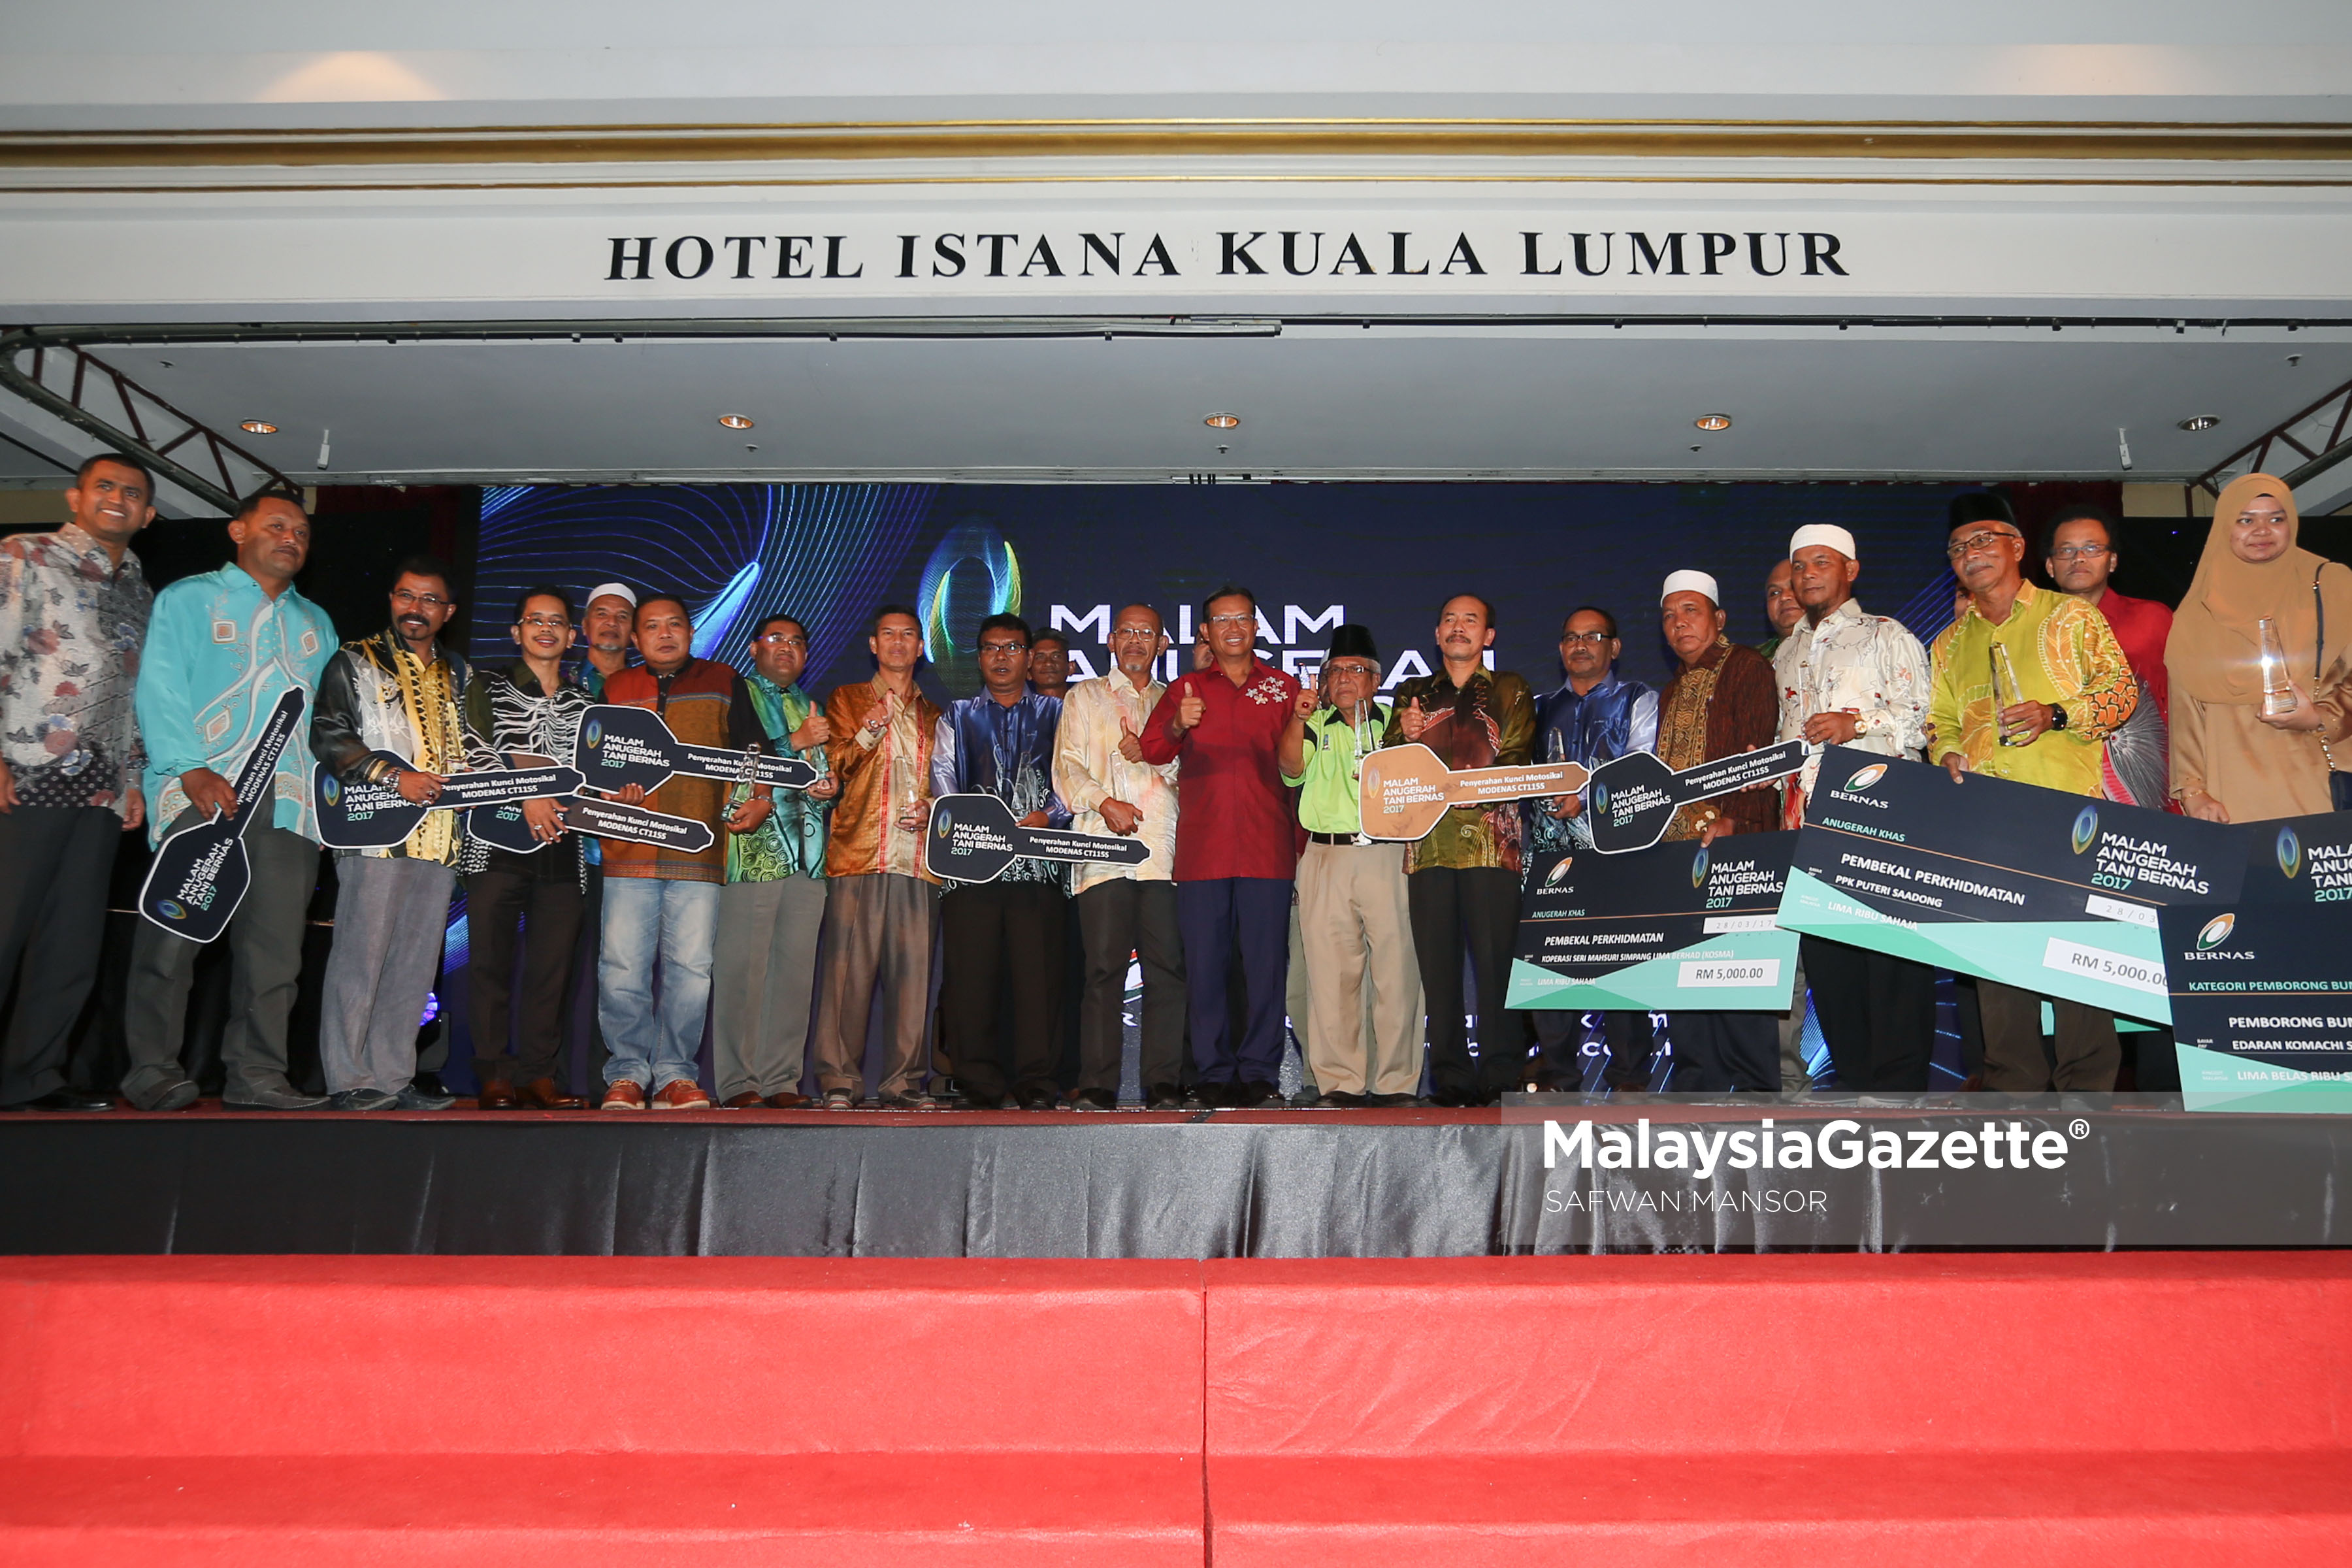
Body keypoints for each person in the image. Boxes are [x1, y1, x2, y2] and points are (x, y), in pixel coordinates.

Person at [122, 485, 335, 1113]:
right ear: (238, 532)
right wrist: (189, 770)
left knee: (276, 952)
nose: (291, 538)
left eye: (300, 532)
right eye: (276, 526)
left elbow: (328, 721)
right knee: (174, 936)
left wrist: (326, 806)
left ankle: (258, 1074)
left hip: (291, 802)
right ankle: (151, 1070)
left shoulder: (315, 622)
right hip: (206, 790)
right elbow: (159, 688)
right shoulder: (191, 600)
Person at [1930, 504, 2136, 1092]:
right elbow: (1938, 719)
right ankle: (2013, 1095)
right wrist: (1944, 749)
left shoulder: (2069, 617)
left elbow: (2121, 693)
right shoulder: (1947, 643)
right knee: (2000, 968)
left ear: (2018, 547)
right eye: (1957, 548)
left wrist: (2058, 713)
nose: (1969, 553)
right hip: (1985, 821)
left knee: (2078, 961)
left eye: (1982, 540)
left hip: (2066, 814)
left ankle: (2088, 1100)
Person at [0, 453, 154, 1111]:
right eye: (105, 487)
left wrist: (136, 779)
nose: (118, 499)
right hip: (26, 774)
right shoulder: (24, 555)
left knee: (72, 945)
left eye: (133, 494)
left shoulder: (142, 591)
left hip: (103, 790)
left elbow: (136, 692)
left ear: (148, 515)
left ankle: (32, 1077)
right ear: (76, 497)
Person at [1773, 526, 1936, 1091]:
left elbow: (1924, 719)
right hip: (1805, 826)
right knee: (1832, 969)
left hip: (1879, 822)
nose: (1808, 574)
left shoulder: (1885, 635)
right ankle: (1858, 1090)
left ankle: (1903, 1096)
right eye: (1800, 565)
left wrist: (1856, 724)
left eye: (1823, 562)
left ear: (1852, 570)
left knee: (1889, 961)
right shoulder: (1788, 650)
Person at [595, 593, 772, 1111]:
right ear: (635, 638)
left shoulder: (722, 680)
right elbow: (596, 761)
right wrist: (611, 790)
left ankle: (675, 1073)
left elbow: (752, 751)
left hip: (698, 850)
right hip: (628, 845)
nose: (665, 634)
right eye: (652, 626)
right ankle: (627, 1072)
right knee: (621, 966)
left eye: (675, 624)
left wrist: (760, 799)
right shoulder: (615, 687)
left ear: (691, 633)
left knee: (691, 969)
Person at [310, 557, 474, 1111]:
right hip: (374, 833)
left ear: (447, 612)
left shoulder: (461, 674)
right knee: (362, 954)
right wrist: (391, 775)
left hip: (440, 836)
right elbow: (328, 734)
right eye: (406, 596)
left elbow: (472, 747)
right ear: (392, 599)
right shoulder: (356, 660)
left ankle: (392, 1075)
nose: (415, 608)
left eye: (429, 600)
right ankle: (348, 1076)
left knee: (415, 962)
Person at [1141, 585, 1301, 1107]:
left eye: (1244, 619)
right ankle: (1211, 1071)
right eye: (1222, 621)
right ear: (1205, 631)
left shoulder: (1283, 687)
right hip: (1204, 851)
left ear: (1257, 627)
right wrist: (1176, 722)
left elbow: (1296, 771)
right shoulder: (1186, 686)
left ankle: (1259, 1072)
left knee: (1264, 970)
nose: (1234, 629)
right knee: (1205, 970)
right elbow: (1151, 747)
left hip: (1266, 848)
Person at [1385, 594, 1535, 1107]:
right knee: (1438, 969)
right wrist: (1400, 737)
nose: (1458, 627)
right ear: (1436, 633)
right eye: (1448, 619)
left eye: (1471, 620)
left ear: (1488, 636)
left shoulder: (1511, 688)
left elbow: (1516, 757)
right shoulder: (1411, 694)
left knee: (1498, 966)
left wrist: (1456, 787)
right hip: (1426, 849)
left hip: (1492, 845)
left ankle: (1501, 1070)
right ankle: (1449, 1073)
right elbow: (1385, 771)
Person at [457, 586, 593, 1110]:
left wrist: (617, 792)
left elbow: (593, 772)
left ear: (571, 636)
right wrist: (531, 793)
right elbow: (475, 749)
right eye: (534, 620)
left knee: (552, 970)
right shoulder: (485, 684)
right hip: (496, 841)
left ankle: (539, 1074)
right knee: (489, 962)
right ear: (516, 632)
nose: (545, 628)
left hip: (563, 848)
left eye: (556, 621)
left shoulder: (586, 702)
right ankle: (493, 1072)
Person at [931, 615, 1070, 1110]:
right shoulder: (958, 715)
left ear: (1030, 658)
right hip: (974, 869)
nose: (1001, 657)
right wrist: (976, 827)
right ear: (980, 658)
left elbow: (1073, 780)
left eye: (1012, 647)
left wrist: (1050, 814)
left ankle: (1037, 1082)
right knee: (973, 981)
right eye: (991, 648)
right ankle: (980, 1082)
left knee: (1039, 983)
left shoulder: (1059, 714)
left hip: (1039, 866)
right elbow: (943, 782)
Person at [1279, 625, 1420, 1107]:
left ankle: (1396, 1082)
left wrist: (1416, 739)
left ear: (1376, 679)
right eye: (1334, 671)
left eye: (1355, 670)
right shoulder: (1315, 725)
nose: (1343, 679)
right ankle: (1340, 1082)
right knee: (1331, 975)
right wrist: (1297, 720)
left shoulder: (1398, 725)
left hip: (1386, 854)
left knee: (1397, 974)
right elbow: (1291, 769)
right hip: (1326, 856)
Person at [1655, 570, 1782, 1092]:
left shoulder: (1746, 666)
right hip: (1679, 851)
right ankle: (1695, 1091)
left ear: (1718, 618)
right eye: (1669, 615)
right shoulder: (1672, 689)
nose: (1679, 623)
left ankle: (1755, 1098)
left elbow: (1759, 755)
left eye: (1691, 610)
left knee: (1739, 974)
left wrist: (1739, 818)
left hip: (1736, 843)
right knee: (1686, 975)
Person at [1055, 604, 1184, 1110]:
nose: (1135, 640)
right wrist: (1104, 803)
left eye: (1146, 633)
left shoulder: (1172, 704)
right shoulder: (1083, 696)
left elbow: (1183, 776)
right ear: (1110, 641)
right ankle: (1097, 1085)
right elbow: (1066, 769)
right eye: (1127, 632)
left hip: (1160, 855)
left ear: (1162, 644)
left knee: (1167, 971)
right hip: (1101, 850)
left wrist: (1158, 753)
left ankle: (1163, 1084)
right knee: (1104, 972)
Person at [2167, 473, 2352, 825]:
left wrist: (2319, 716)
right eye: (2246, 520)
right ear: (2226, 527)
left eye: (2276, 519)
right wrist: (2193, 791)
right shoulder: (2199, 608)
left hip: (2319, 782)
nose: (2262, 530)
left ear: (2292, 522)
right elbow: (2187, 710)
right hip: (2233, 790)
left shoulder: (2332, 584)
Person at [814, 605, 943, 1109]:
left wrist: (934, 808)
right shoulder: (846, 699)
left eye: (907, 635)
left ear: (919, 648)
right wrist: (869, 728)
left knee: (914, 981)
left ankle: (904, 1083)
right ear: (873, 645)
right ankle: (839, 1081)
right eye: (887, 634)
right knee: (847, 977)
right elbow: (835, 766)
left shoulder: (936, 714)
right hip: (859, 855)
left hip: (919, 861)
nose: (897, 642)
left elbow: (949, 786)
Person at [1526, 606, 1658, 1092]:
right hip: (1552, 861)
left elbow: (1645, 768)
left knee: (1622, 976)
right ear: (1561, 648)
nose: (1579, 646)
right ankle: (1559, 1078)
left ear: (1614, 647)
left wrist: (1584, 799)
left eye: (1592, 636)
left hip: (1619, 858)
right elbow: (1525, 778)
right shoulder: (1540, 708)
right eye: (1570, 638)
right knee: (1552, 980)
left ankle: (1630, 1083)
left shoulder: (1639, 700)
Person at [711, 615, 838, 1109]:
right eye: (776, 639)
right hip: (754, 851)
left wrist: (828, 789)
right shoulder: (735, 694)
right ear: (753, 647)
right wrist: (796, 744)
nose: (787, 648)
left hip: (808, 857)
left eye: (797, 642)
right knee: (743, 969)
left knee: (793, 971)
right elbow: (733, 765)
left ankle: (781, 1078)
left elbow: (819, 780)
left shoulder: (811, 705)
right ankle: (738, 1082)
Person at [2046, 504, 2174, 811]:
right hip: (2062, 779)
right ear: (2050, 566)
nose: (2079, 558)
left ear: (2112, 560)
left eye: (2092, 548)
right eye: (2067, 551)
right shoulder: (2033, 631)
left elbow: (2186, 700)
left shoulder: (2154, 618)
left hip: (2149, 778)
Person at [1759, 560, 1803, 660]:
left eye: (1793, 587)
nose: (1784, 597)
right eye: (1774, 593)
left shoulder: (1842, 644)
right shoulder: (1751, 663)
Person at [1027, 630, 1074, 699]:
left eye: (1056, 656)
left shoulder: (1089, 707)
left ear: (1070, 668)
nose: (1048, 663)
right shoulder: (1017, 709)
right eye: (1040, 657)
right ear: (1028, 673)